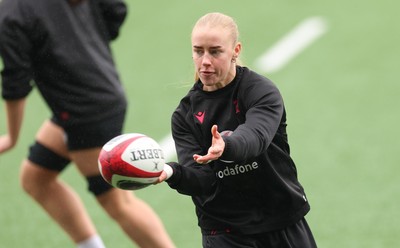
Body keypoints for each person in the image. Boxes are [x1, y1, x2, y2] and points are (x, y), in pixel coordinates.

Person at [0, 0, 175, 247]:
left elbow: (15, 83)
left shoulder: (11, 13)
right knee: (35, 178)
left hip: (84, 112)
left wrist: (12, 137)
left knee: (118, 203)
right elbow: (115, 10)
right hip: (91, 99)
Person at [157, 12, 317, 248]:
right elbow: (202, 182)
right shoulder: (185, 115)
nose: (205, 61)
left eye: (215, 51)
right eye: (198, 51)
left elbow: (256, 136)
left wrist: (227, 146)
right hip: (225, 230)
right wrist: (171, 172)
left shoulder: (259, 91)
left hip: (280, 218)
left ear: (236, 50)